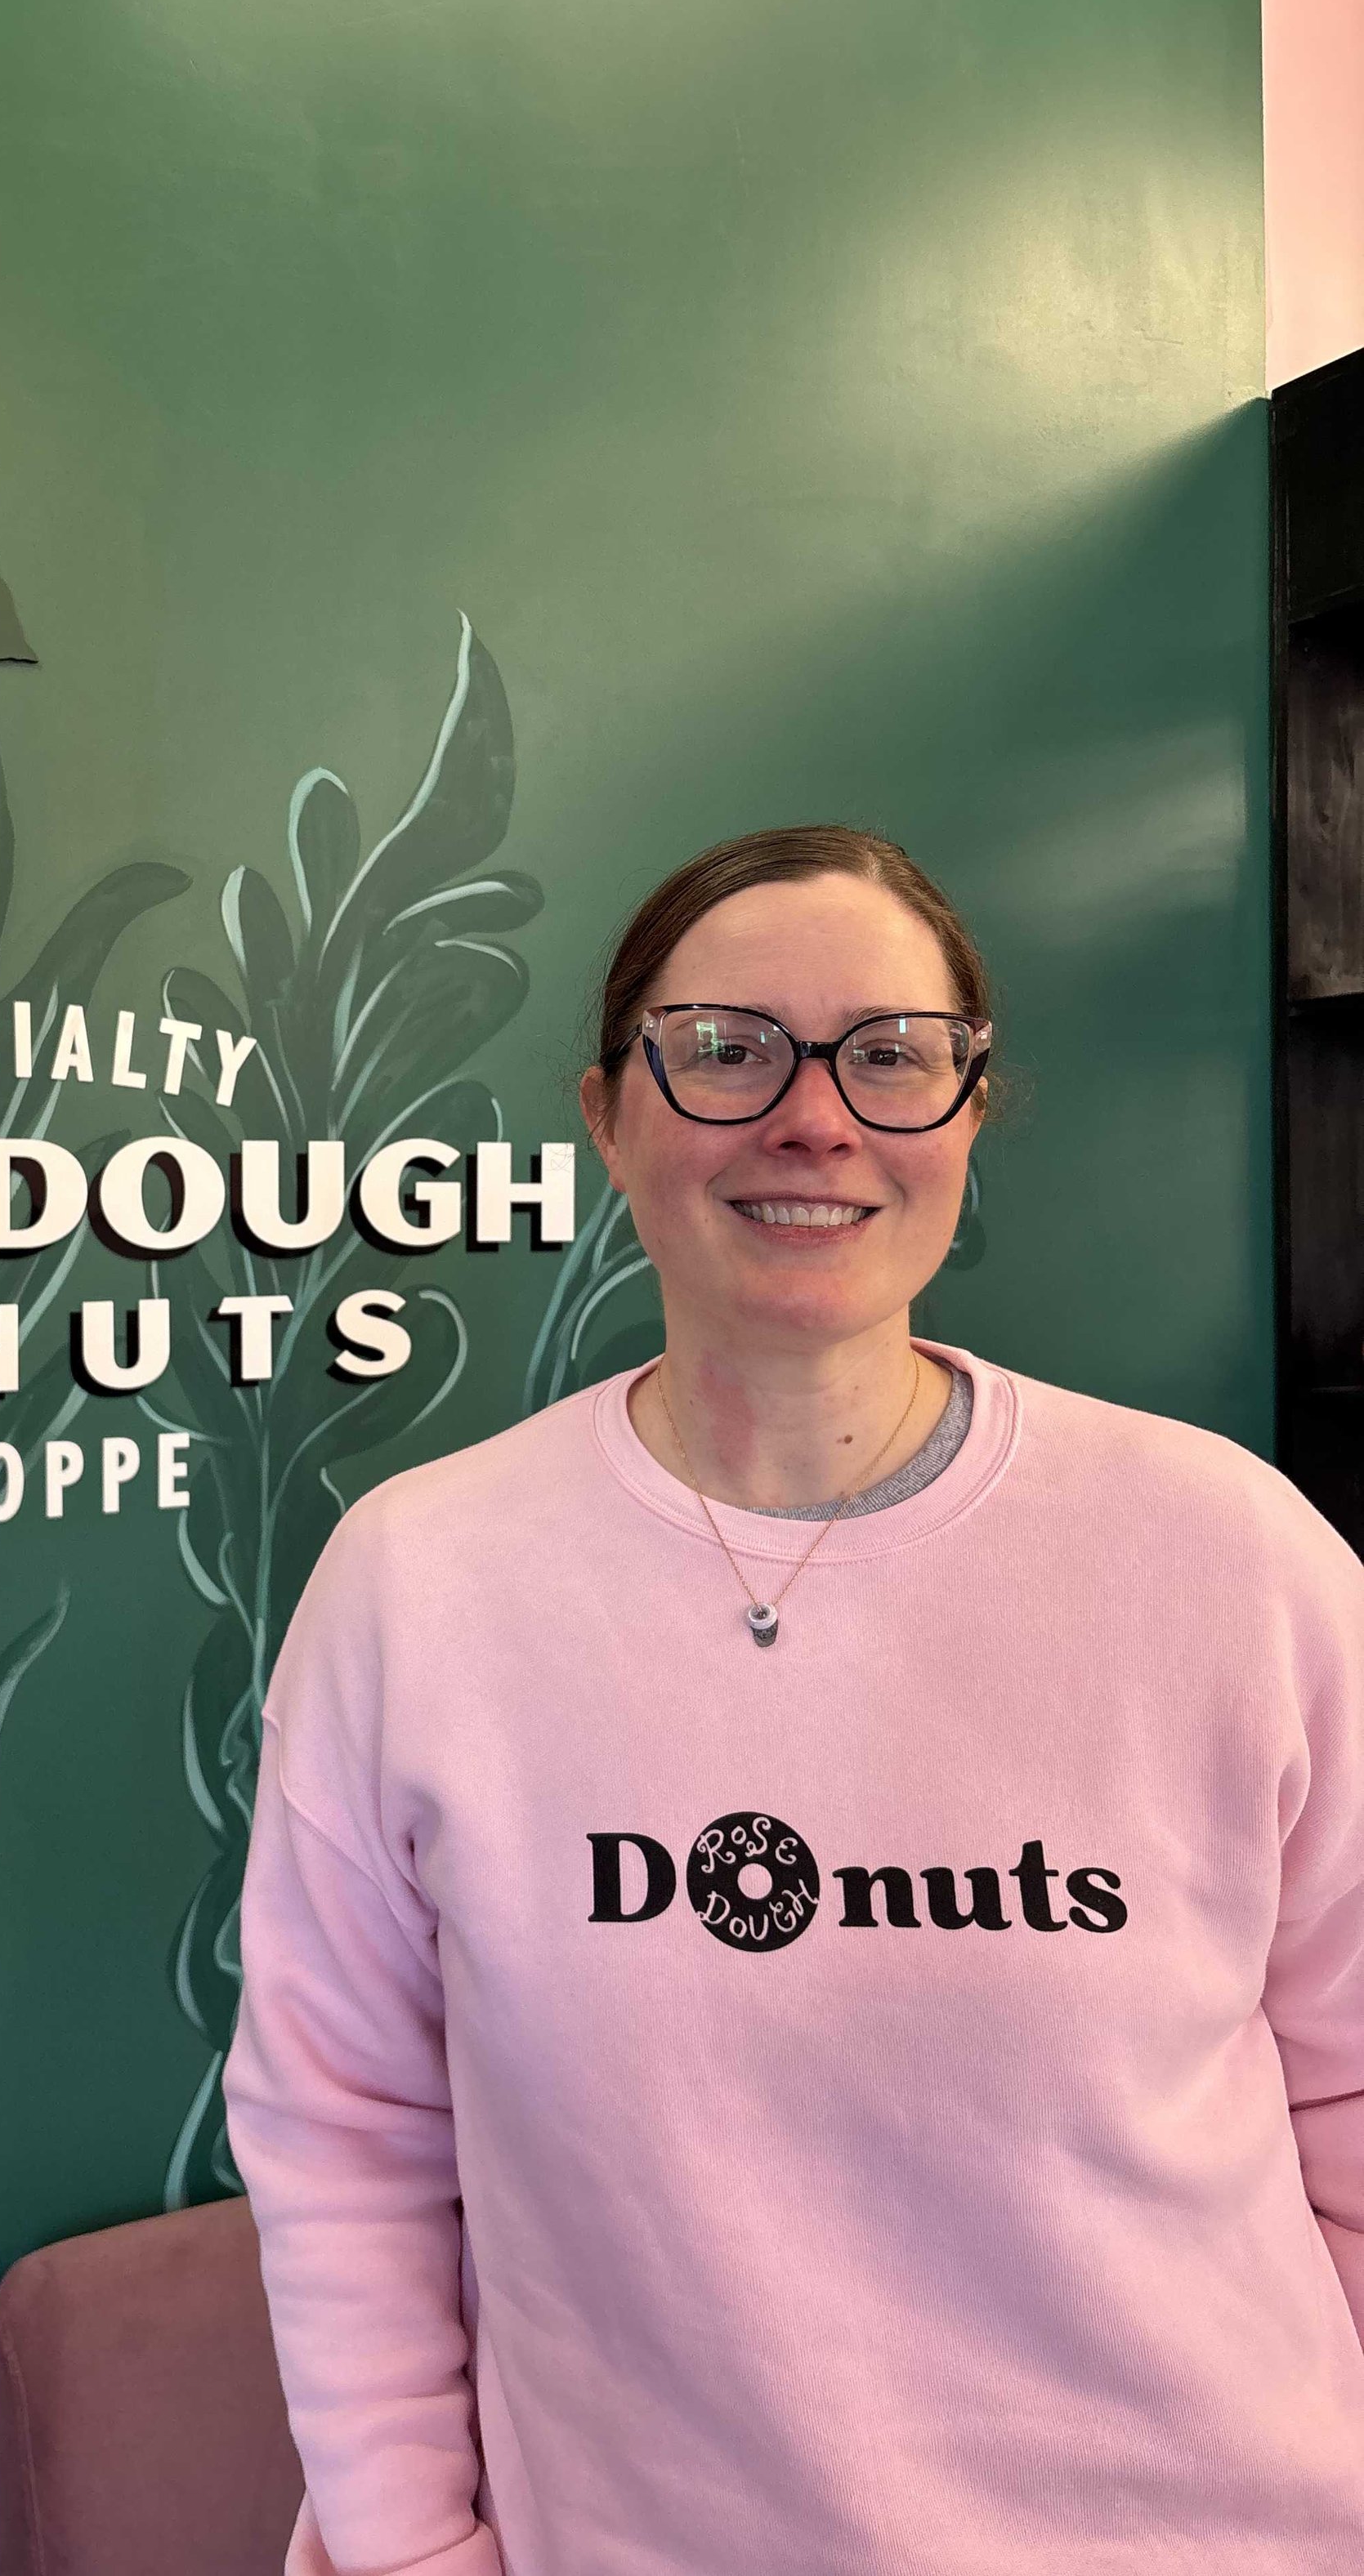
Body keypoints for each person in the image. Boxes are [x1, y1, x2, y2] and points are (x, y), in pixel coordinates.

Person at [222, 824, 1364, 2576]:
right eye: (724, 1047)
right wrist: (399, 2553)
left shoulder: (1229, 1553)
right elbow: (346, 2136)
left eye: (891, 1055)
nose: (813, 1115)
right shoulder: (417, 1582)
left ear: (969, 1113)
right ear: (606, 1113)